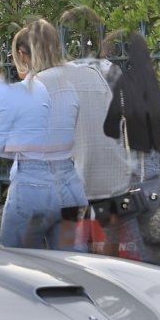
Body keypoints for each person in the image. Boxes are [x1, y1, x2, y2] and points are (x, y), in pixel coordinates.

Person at [0, 20, 84, 249]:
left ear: (22, 55)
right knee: (69, 262)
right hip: (68, 184)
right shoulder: (70, 88)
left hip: (32, 185)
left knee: (17, 259)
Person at [28, 22, 138, 255]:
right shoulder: (92, 72)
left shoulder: (40, 82)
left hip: (71, 178)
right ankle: (107, 271)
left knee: (64, 242)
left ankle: (72, 268)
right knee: (109, 240)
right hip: (110, 170)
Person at [104, 30, 160, 242]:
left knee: (119, 237)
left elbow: (109, 128)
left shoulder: (123, 86)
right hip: (153, 187)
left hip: (132, 185)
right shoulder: (155, 88)